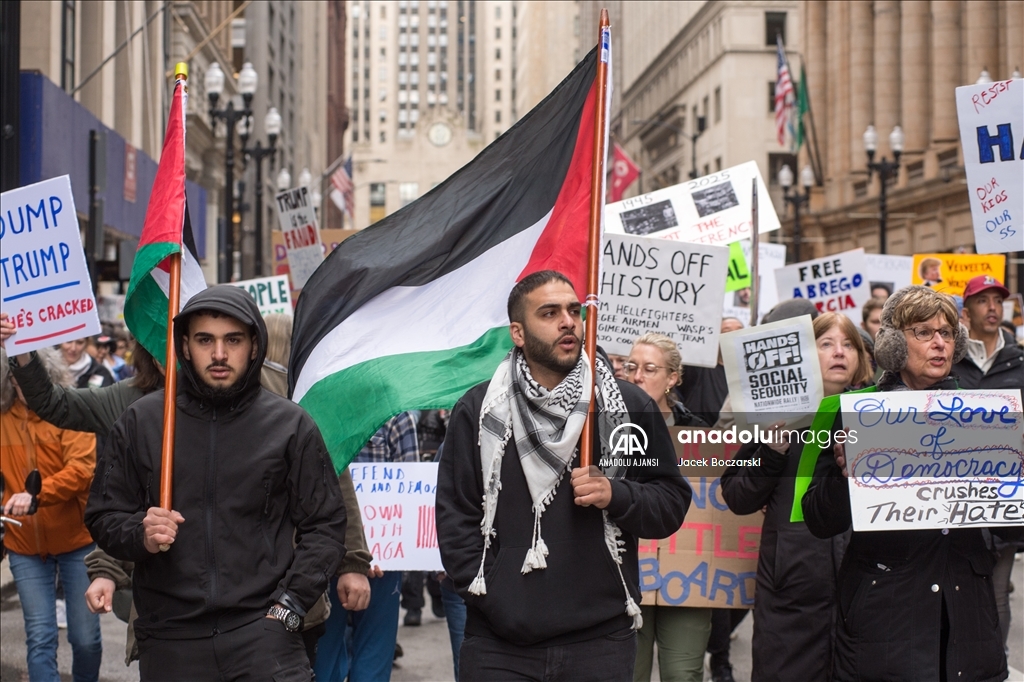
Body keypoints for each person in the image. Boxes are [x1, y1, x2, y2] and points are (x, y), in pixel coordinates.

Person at [436, 270, 691, 681]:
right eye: (550, 313)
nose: (568, 321)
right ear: (518, 332)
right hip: (499, 647)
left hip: (600, 643)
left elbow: (670, 504)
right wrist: (497, 601)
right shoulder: (480, 409)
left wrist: (617, 494)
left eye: (574, 310)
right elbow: (455, 519)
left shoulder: (626, 406)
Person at [84, 285, 348, 681]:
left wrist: (290, 606)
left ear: (255, 346)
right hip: (170, 638)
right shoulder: (142, 423)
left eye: (233, 340)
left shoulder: (290, 425)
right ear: (185, 347)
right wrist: (140, 533)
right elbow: (104, 514)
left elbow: (326, 525)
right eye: (205, 340)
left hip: (264, 635)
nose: (220, 354)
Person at [802, 286, 1023, 682]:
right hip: (885, 618)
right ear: (894, 344)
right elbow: (819, 519)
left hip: (967, 622)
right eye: (923, 332)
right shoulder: (856, 413)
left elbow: (1011, 527)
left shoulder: (984, 415)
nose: (939, 343)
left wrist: (1014, 476)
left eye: (947, 333)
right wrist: (844, 478)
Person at [720, 312, 872, 682]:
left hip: (863, 595)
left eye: (848, 344)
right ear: (804, 356)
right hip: (791, 596)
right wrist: (772, 453)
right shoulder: (778, 418)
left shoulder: (877, 415)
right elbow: (738, 496)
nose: (839, 352)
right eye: (826, 344)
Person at [1, 347, 103, 682]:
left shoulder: (70, 411)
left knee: (85, 639)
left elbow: (82, 470)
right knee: (40, 636)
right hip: (24, 544)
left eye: (30, 380)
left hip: (76, 540)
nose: (23, 388)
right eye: (16, 380)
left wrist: (36, 495)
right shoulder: (3, 419)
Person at [625, 333, 710, 682]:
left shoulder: (699, 434)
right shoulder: (605, 431)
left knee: (682, 674)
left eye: (649, 368)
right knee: (629, 674)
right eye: (631, 367)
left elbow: (723, 499)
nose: (637, 376)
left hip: (686, 581)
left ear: (673, 378)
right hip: (627, 577)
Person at [315, 411, 419, 682]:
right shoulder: (317, 408)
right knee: (324, 657)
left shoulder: (397, 415)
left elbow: (410, 489)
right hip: (328, 556)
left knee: (374, 659)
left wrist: (388, 546)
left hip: (385, 559)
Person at [953, 275, 1024, 653]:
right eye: (983, 301)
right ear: (967, 313)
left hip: (1004, 498)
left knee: (997, 595)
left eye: (999, 300)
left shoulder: (1020, 363)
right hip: (954, 496)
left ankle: (993, 665)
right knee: (957, 590)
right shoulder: (950, 363)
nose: (993, 307)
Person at [677, 317, 744, 426]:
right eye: (726, 331)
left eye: (739, 330)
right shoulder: (699, 367)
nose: (734, 334)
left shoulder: (748, 374)